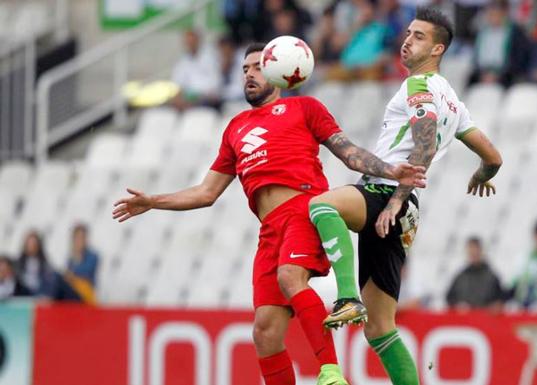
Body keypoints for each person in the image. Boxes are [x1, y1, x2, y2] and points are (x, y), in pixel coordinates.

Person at [112, 43, 426, 385]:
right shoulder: (236, 127)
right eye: (245, 68)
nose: (249, 73)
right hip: (270, 230)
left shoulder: (305, 108)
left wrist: (389, 170)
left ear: (280, 72)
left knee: (290, 277)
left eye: (258, 67)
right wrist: (153, 201)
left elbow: (348, 153)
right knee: (264, 331)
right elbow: (206, 192)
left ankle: (331, 372)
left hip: (303, 210)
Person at [308, 8, 502, 385]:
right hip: (406, 208)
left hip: (386, 193)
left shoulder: (418, 86)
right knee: (380, 328)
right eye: (408, 33)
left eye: (419, 36)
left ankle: (347, 297)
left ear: (437, 48)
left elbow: (425, 139)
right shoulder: (454, 103)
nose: (407, 40)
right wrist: (482, 174)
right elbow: (493, 157)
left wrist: (396, 199)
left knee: (322, 205)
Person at [470, 0, 531, 87]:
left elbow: (518, 60)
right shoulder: (482, 33)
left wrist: (497, 75)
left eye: (496, 13)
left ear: (505, 13)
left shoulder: (515, 33)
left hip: (506, 76)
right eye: (490, 13)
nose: (493, 16)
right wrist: (483, 74)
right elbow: (476, 59)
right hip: (482, 74)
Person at [170, 30, 224, 111]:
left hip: (207, 98)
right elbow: (178, 85)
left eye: (192, 41)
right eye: (188, 42)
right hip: (189, 98)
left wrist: (197, 96)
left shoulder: (211, 57)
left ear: (198, 41)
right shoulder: (183, 62)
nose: (190, 44)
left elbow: (215, 84)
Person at [446, 237, 504, 311]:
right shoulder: (460, 277)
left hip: (485, 319)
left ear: (481, 251)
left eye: (475, 249)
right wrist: (458, 305)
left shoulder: (492, 277)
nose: (473, 253)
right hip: (464, 320)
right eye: (470, 250)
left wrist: (495, 305)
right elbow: (450, 298)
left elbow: (500, 300)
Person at [55, 224, 99, 304]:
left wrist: (71, 275)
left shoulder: (93, 256)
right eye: (77, 238)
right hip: (73, 292)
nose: (79, 240)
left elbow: (86, 273)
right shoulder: (71, 257)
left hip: (85, 294)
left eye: (82, 237)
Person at [16, 231, 56, 298]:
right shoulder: (18, 263)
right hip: (24, 292)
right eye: (30, 243)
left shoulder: (44, 263)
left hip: (39, 292)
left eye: (34, 243)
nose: (32, 246)